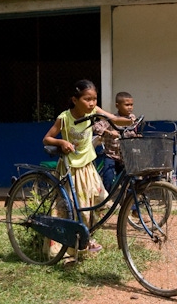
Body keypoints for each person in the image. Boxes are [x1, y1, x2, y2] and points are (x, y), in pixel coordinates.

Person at [43, 80, 134, 253]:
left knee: (98, 202)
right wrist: (62, 142)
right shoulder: (65, 118)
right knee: (76, 209)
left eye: (94, 99)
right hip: (71, 169)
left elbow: (113, 119)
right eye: (87, 99)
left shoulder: (93, 111)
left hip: (88, 168)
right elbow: (47, 138)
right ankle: (73, 246)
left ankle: (85, 238)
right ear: (75, 100)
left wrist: (129, 122)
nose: (92, 103)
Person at [92, 91, 137, 192]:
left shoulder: (132, 118)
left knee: (130, 180)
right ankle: (105, 199)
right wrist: (108, 132)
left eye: (131, 105)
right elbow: (96, 127)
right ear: (117, 105)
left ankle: (131, 203)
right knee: (108, 178)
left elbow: (132, 129)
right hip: (111, 155)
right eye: (127, 105)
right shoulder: (110, 118)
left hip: (126, 156)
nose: (130, 107)